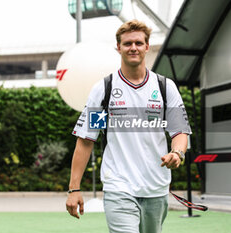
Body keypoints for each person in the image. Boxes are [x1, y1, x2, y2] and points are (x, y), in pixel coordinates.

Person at [66, 19, 192, 233]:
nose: (133, 47)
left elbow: (180, 131)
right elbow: (86, 140)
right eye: (127, 43)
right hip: (118, 186)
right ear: (119, 48)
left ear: (147, 46)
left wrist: (177, 153)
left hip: (156, 187)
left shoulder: (164, 87)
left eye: (138, 43)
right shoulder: (105, 90)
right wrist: (74, 188)